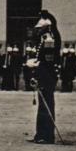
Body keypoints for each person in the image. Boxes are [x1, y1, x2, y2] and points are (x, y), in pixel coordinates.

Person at [26, 10, 62, 144]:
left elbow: (48, 61)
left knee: (46, 106)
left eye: (39, 28)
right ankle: (40, 134)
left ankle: (47, 136)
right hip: (44, 74)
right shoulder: (43, 39)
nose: (37, 31)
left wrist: (37, 66)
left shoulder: (49, 39)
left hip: (47, 76)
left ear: (45, 27)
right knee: (42, 105)